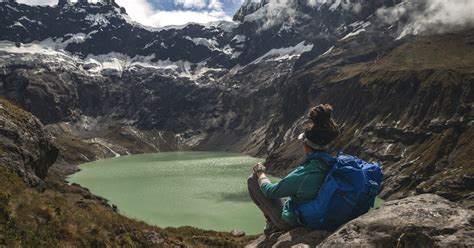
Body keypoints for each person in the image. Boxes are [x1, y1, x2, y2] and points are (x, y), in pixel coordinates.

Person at [247, 104, 340, 234]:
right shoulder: (332, 163)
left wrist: (260, 173)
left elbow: (270, 192)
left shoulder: (306, 172)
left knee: (252, 181)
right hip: (320, 213)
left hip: (297, 221)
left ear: (306, 145)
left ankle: (272, 223)